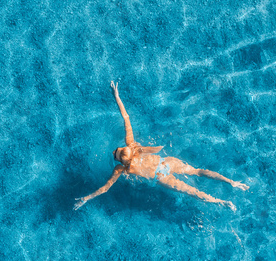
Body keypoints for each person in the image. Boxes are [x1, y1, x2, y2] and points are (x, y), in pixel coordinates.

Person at [75, 82, 249, 211]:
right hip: (167, 163)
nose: (115, 151)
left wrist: (87, 198)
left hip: (161, 177)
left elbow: (106, 188)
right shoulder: (133, 145)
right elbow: (126, 118)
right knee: (197, 171)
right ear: (126, 151)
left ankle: (221, 202)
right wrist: (117, 96)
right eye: (118, 151)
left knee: (192, 192)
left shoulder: (121, 169)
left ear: (120, 160)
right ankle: (231, 182)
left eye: (117, 153)